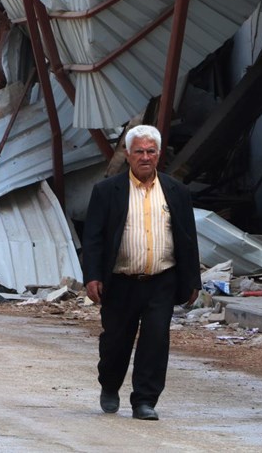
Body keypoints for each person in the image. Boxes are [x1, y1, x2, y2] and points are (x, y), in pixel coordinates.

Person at [82, 124, 201, 421]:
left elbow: (187, 239)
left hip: (161, 280)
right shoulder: (107, 191)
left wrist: (192, 281)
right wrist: (92, 276)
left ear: (158, 154)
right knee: (115, 343)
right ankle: (109, 385)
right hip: (120, 282)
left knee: (155, 341)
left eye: (150, 151)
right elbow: (93, 238)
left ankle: (144, 401)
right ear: (128, 154)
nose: (145, 157)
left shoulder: (177, 191)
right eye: (139, 152)